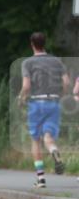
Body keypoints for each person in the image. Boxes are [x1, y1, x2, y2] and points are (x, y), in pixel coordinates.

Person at [18, 32, 70, 187]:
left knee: (35, 140)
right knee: (48, 137)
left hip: (36, 103)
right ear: (45, 43)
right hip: (53, 102)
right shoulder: (57, 61)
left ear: (32, 44)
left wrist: (21, 98)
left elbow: (26, 86)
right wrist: (61, 95)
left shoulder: (27, 63)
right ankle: (54, 150)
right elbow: (66, 82)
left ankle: (41, 179)